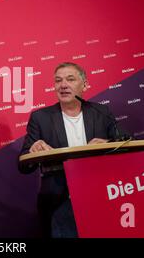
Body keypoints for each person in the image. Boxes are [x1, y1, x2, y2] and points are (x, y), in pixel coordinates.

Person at [19, 62, 127, 238]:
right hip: (59, 201)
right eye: (58, 81)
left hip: (101, 194)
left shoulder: (101, 112)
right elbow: (23, 165)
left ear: (84, 85)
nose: (63, 85)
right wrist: (33, 151)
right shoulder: (41, 118)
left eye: (70, 79)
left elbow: (127, 142)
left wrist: (107, 143)